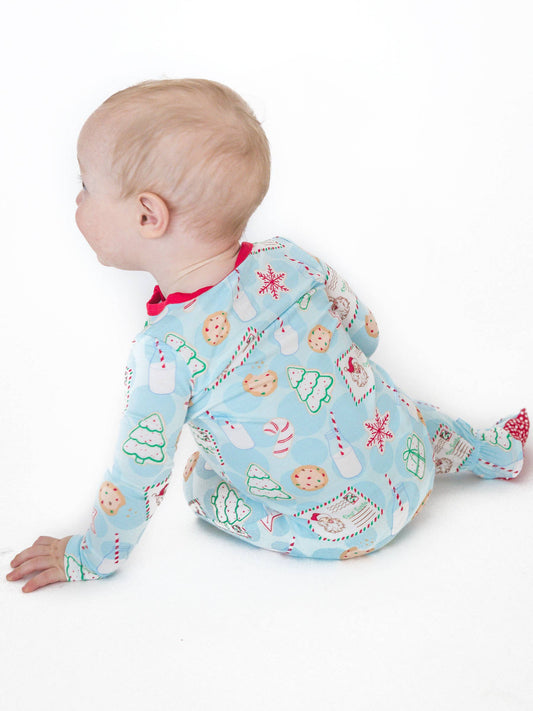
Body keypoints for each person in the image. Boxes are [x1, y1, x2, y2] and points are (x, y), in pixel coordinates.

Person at [6, 79, 529, 593]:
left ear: (148, 215)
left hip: (346, 529)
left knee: (198, 479)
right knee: (397, 406)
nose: (76, 199)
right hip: (408, 457)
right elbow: (367, 336)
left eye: (85, 185)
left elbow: (139, 476)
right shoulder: (287, 257)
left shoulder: (164, 355)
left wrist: (90, 555)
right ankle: (499, 452)